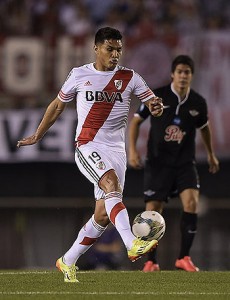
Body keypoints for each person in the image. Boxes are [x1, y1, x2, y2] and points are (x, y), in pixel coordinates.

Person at [17, 27, 163, 282]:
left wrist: (156, 106)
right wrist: (38, 134)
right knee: (111, 185)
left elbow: (152, 102)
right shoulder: (79, 74)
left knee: (103, 215)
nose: (115, 54)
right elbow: (57, 105)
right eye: (110, 49)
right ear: (96, 48)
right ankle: (131, 242)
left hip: (116, 151)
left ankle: (67, 260)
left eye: (118, 49)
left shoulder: (131, 77)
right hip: (88, 146)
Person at [128, 55, 219, 272]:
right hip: (158, 162)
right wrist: (132, 150)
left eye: (187, 72)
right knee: (153, 210)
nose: (183, 76)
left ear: (191, 76)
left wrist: (211, 154)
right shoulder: (157, 95)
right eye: (180, 71)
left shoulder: (198, 102)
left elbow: (204, 127)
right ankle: (151, 261)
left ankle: (183, 258)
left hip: (184, 162)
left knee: (192, 203)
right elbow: (136, 121)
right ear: (172, 74)